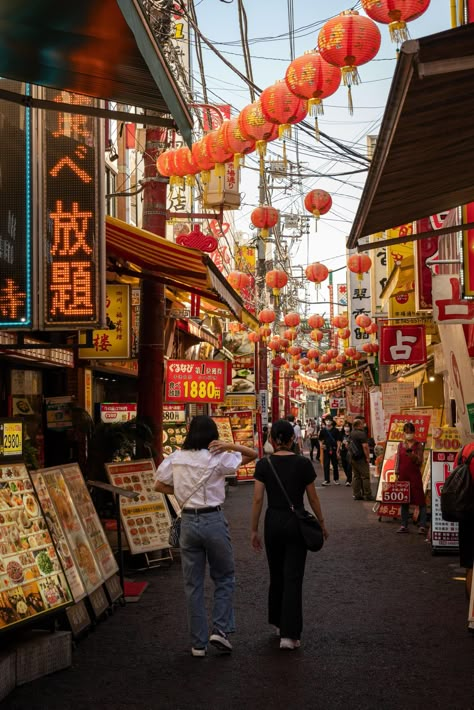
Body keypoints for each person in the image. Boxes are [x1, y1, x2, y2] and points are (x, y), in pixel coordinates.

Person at [154, 415, 257, 657]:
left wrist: (179, 493)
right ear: (213, 436)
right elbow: (252, 454)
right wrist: (229, 445)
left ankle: (198, 644)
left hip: (188, 521)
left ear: (189, 433)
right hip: (213, 519)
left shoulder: (176, 458)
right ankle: (219, 631)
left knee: (193, 584)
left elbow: (158, 485)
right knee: (224, 576)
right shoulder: (218, 457)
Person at [250, 419, 328, 650]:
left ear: (272, 440)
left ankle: (277, 622)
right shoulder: (303, 464)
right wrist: (322, 523)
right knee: (293, 576)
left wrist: (253, 530)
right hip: (296, 521)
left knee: (276, 573)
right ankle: (289, 635)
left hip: (272, 520)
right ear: (293, 439)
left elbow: (257, 499)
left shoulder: (264, 465)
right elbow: (313, 497)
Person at [395, 421, 427, 534]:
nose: (408, 434)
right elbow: (398, 459)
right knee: (404, 500)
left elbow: (420, 461)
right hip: (403, 475)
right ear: (404, 433)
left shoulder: (418, 445)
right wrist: (396, 472)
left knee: (420, 500)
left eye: (410, 432)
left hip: (414, 475)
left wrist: (412, 456)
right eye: (406, 432)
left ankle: (422, 525)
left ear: (414, 432)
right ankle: (404, 525)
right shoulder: (400, 445)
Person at [349, 419, 373, 501]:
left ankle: (357, 494)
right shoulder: (361, 434)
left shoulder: (352, 433)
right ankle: (367, 494)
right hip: (361, 458)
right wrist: (368, 457)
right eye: (362, 424)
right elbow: (365, 447)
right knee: (365, 476)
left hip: (353, 457)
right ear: (359, 425)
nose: (363, 425)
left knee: (356, 476)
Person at [319, 417, 340, 485]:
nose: (328, 421)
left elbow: (338, 440)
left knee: (335, 464)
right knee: (326, 464)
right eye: (326, 420)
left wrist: (337, 450)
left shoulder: (336, 430)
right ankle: (326, 480)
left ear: (332, 422)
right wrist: (322, 446)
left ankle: (336, 479)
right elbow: (320, 440)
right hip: (326, 449)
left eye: (329, 420)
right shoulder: (323, 430)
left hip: (334, 448)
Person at [338, 421, 353, 487]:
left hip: (350, 451)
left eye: (348, 426)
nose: (346, 428)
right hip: (343, 451)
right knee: (344, 465)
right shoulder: (341, 434)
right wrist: (338, 450)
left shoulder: (352, 434)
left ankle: (348, 480)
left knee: (349, 466)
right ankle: (348, 478)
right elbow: (339, 442)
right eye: (345, 426)